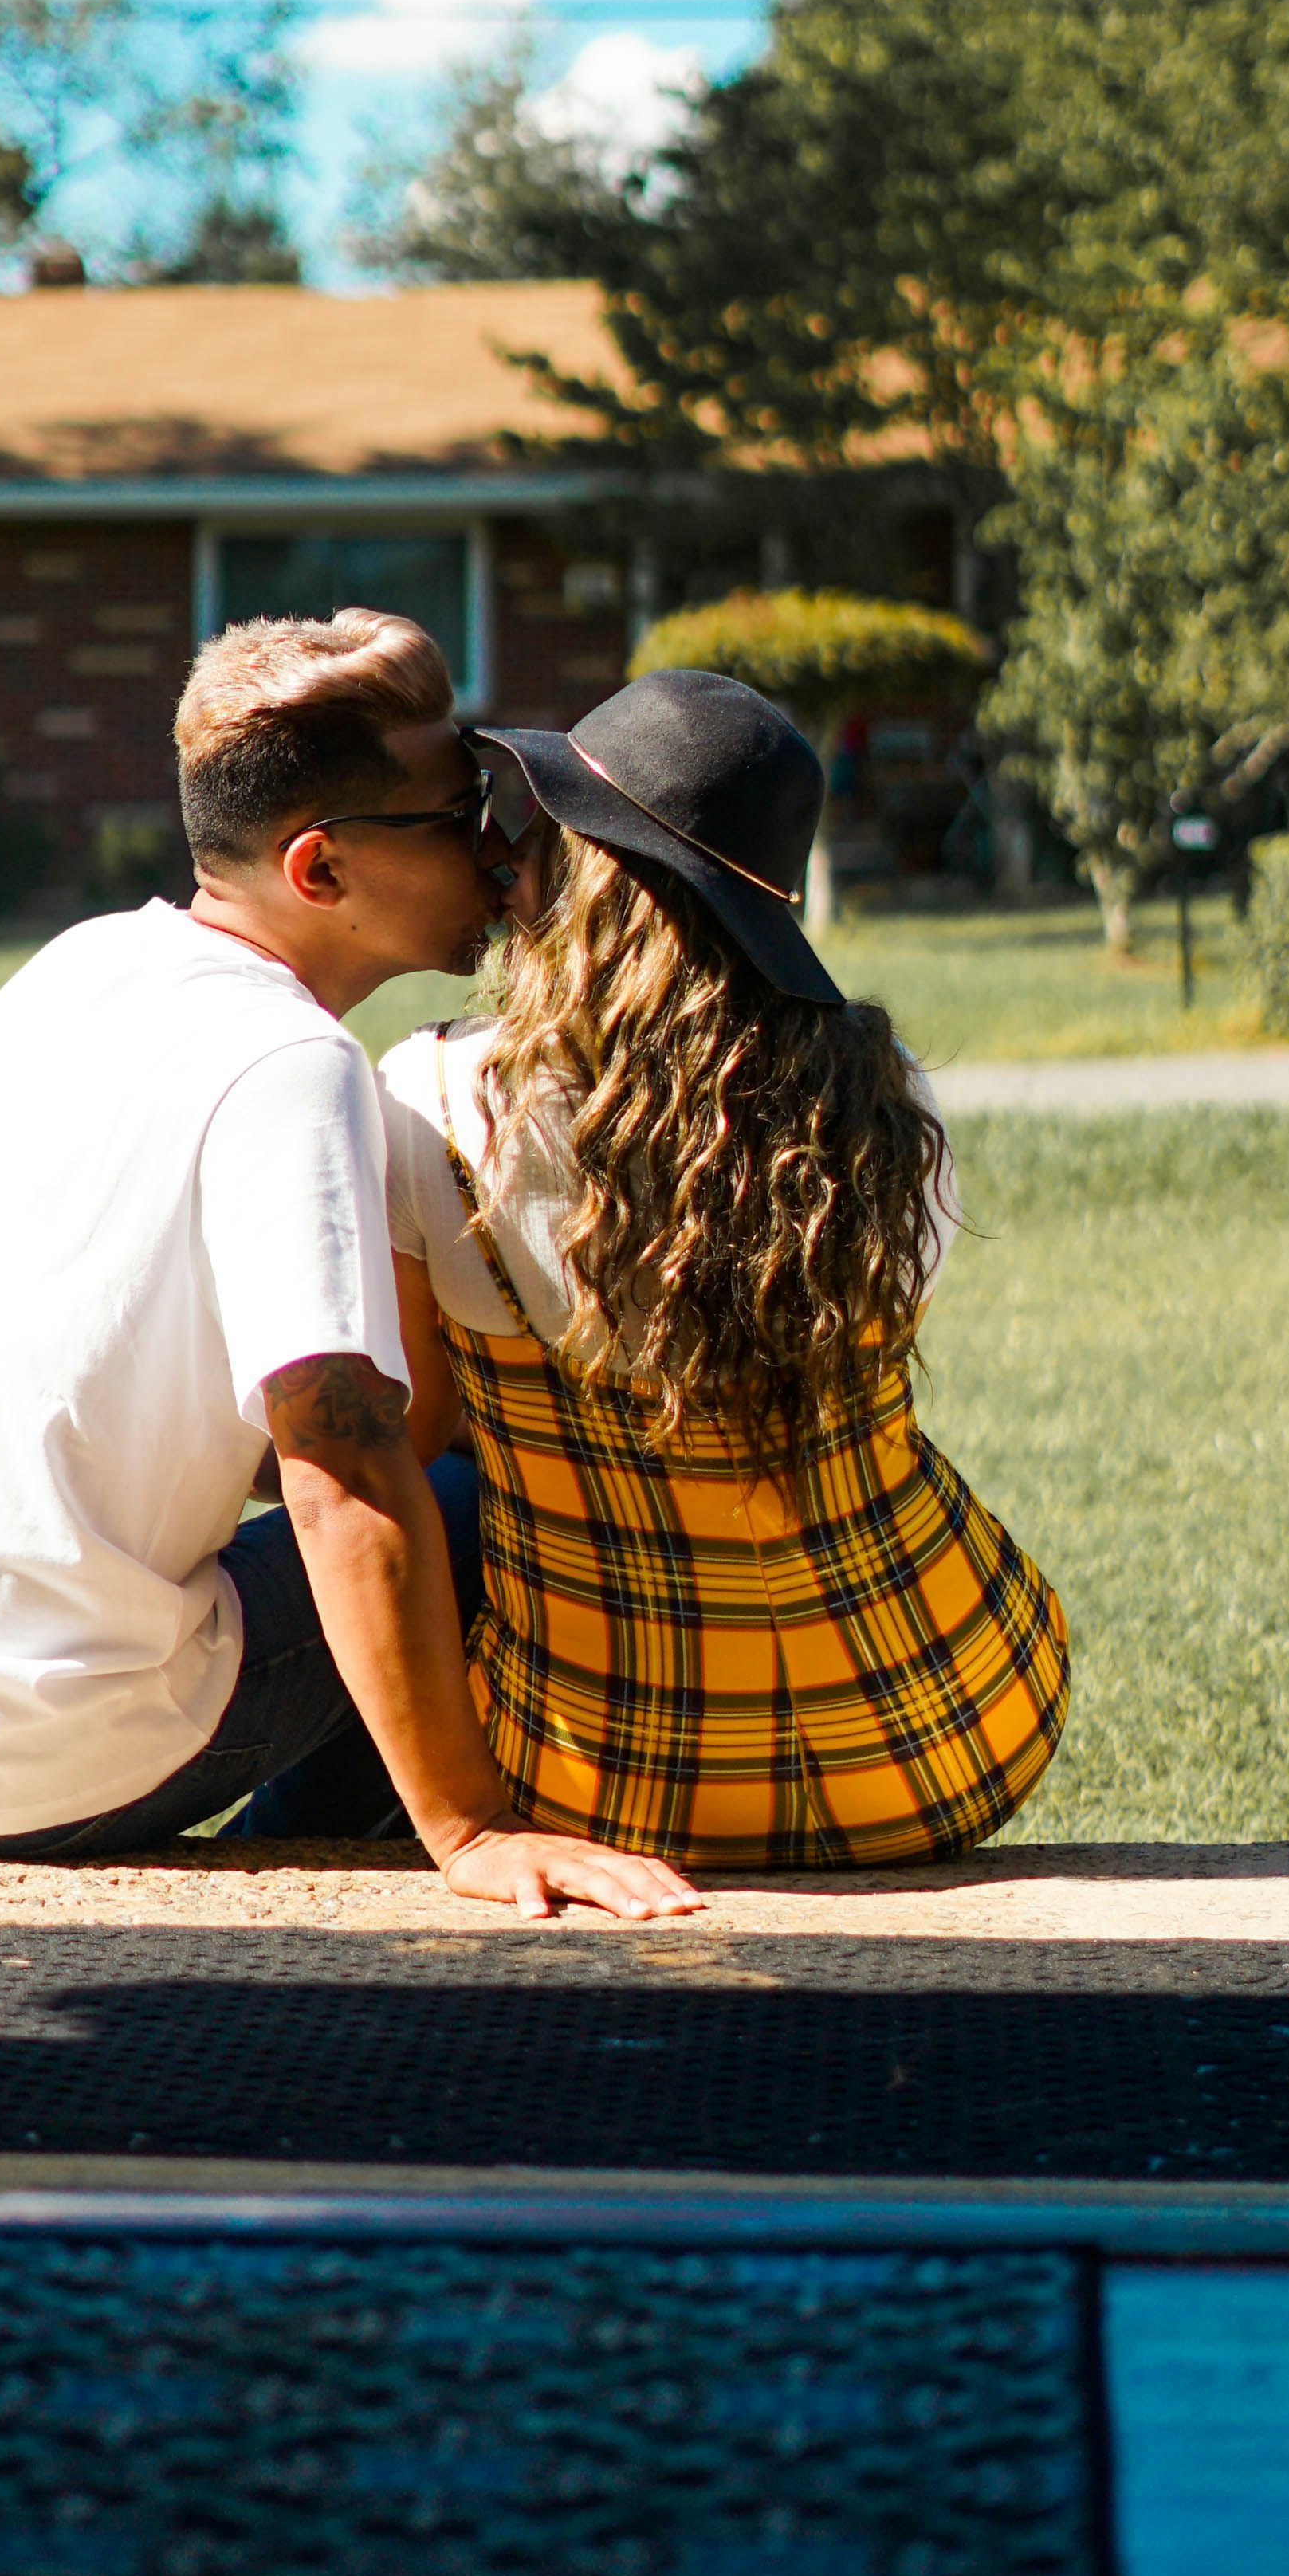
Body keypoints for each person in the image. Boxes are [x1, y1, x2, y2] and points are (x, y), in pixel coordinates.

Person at [0, 611, 699, 1917]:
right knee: (471, 1509)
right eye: (460, 814)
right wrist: (474, 1829)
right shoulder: (295, 1069)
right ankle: (363, 1840)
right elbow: (339, 1470)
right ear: (321, 867)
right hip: (18, 1762)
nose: (505, 851)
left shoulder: (82, 968)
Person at [373, 668, 1069, 1866]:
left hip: (610, 1777)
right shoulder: (887, 1104)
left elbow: (418, 1428)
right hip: (947, 1733)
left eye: (532, 827)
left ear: (587, 877)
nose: (504, 856)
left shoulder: (432, 1100)